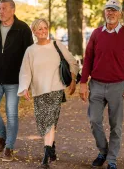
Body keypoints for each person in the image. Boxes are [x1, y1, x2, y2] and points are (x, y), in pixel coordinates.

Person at [79, 0, 124, 169]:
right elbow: (88, 58)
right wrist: (83, 82)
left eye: (114, 10)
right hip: (96, 84)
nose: (110, 13)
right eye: (108, 10)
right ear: (104, 12)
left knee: (115, 126)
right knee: (94, 120)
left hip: (117, 85)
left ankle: (111, 159)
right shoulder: (96, 33)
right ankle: (103, 150)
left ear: (120, 13)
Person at [17, 18, 79, 168]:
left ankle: (45, 157)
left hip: (55, 89)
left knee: (50, 122)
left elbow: (72, 61)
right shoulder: (30, 51)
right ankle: (51, 147)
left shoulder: (56, 45)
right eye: (40, 29)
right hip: (39, 91)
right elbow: (25, 72)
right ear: (34, 31)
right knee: (43, 123)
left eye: (45, 27)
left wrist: (73, 79)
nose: (43, 31)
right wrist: (24, 87)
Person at [0, 0, 33, 161]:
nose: (0, 11)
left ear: (12, 10)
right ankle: (3, 136)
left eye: (4, 9)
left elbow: (29, 55)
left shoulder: (22, 28)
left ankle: (9, 147)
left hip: (14, 80)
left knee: (12, 115)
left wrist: (28, 81)